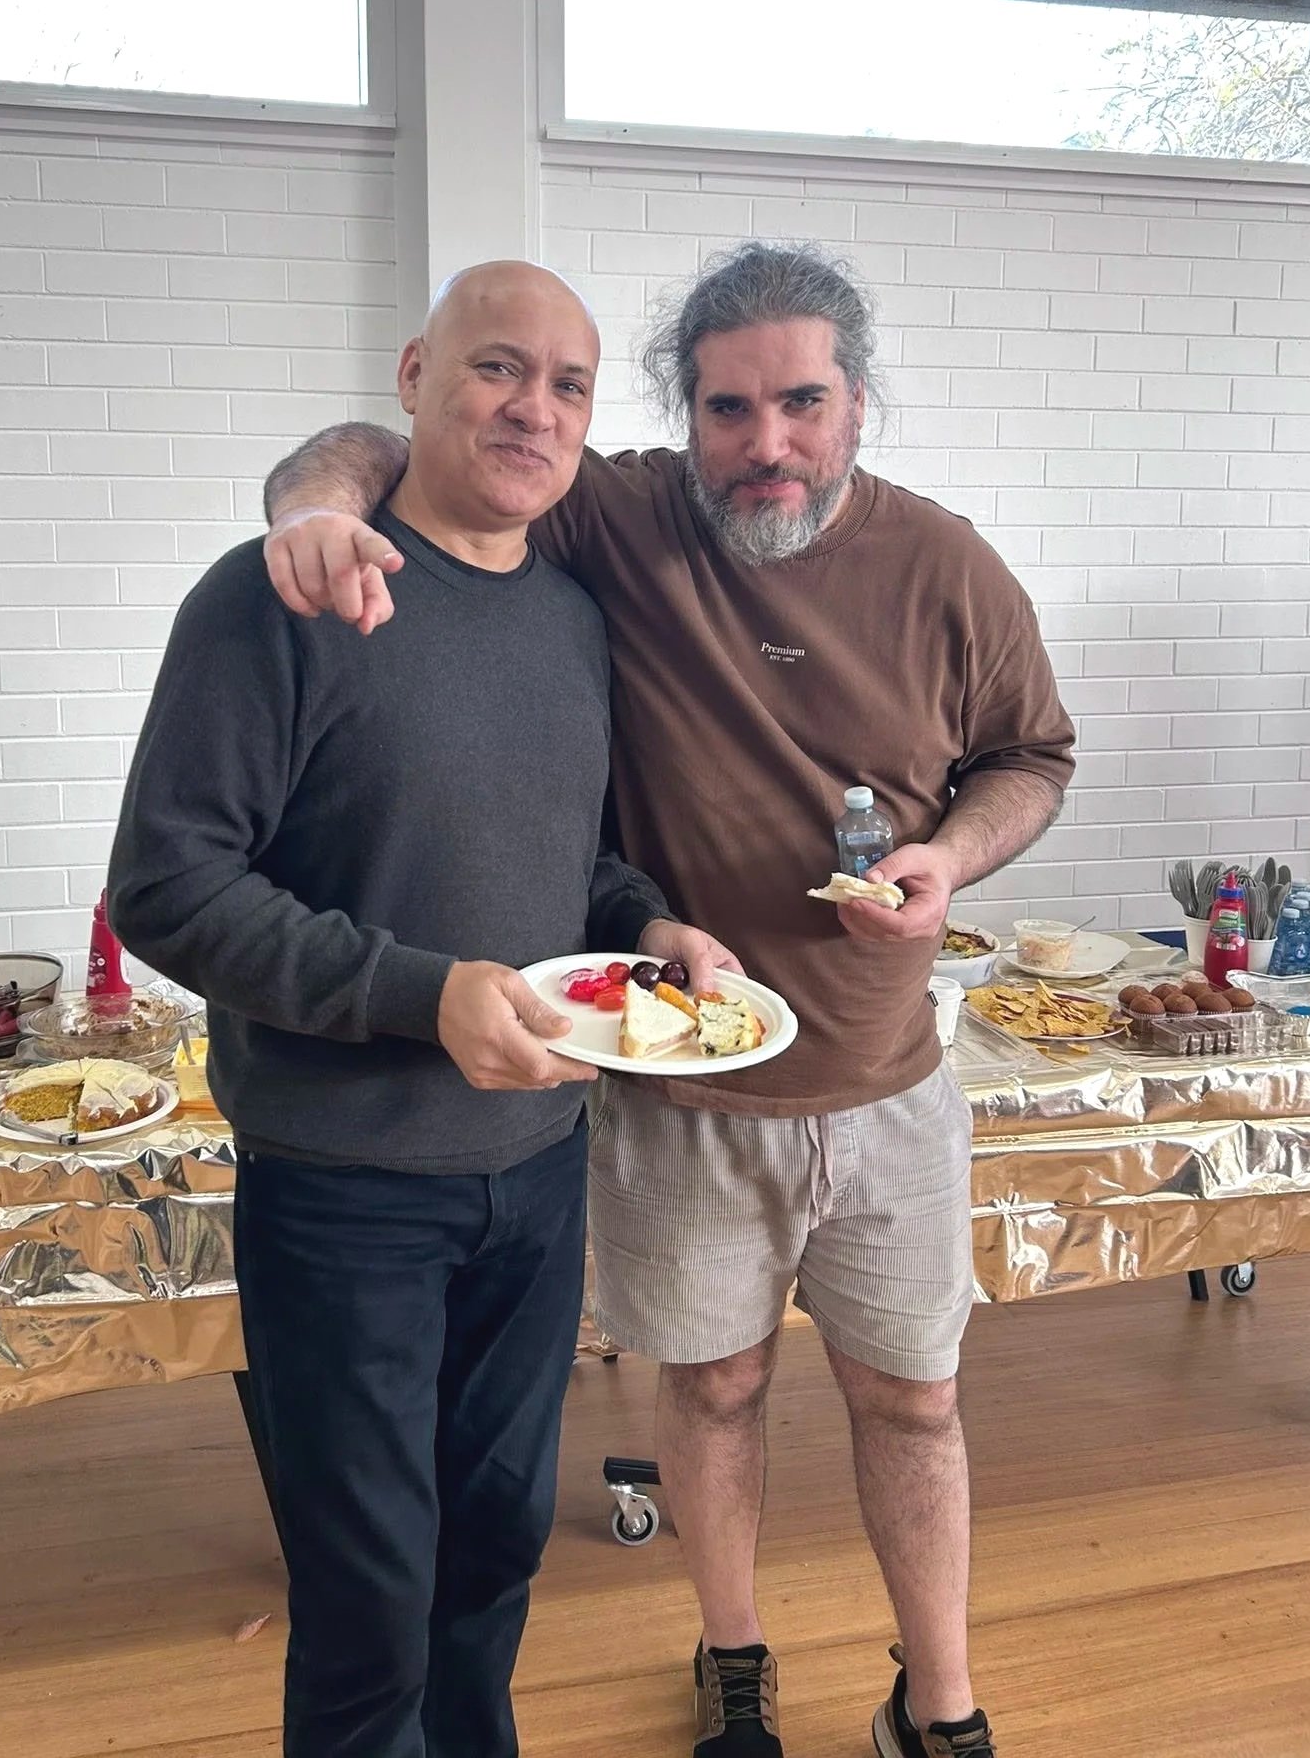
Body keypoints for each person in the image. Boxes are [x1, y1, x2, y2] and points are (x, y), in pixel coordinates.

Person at [260, 241, 1077, 1758]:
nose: (767, 442)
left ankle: (939, 1700)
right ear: (682, 416)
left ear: (856, 402)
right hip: (682, 1083)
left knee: (915, 1402)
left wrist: (954, 855)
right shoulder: (622, 514)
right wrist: (314, 510)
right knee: (712, 1393)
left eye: (802, 402)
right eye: (728, 408)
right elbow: (404, 443)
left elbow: (1033, 755)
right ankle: (733, 1656)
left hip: (891, 1082)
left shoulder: (946, 564)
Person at [106, 259, 732, 1758]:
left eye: (568, 385)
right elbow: (169, 887)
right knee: (368, 1597)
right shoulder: (283, 594)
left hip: (537, 1174)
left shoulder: (571, 620)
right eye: (497, 367)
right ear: (414, 377)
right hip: (345, 1191)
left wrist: (644, 927)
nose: (534, 409)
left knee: (495, 1556)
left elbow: (565, 858)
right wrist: (416, 996)